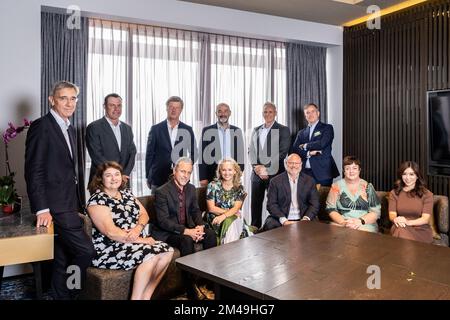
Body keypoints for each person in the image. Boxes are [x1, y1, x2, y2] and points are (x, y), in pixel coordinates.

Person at [24, 81, 95, 299]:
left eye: (73, 98)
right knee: (86, 251)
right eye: (63, 98)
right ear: (51, 100)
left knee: (63, 256)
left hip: (68, 202)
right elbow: (33, 170)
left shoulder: (70, 128)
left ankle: (59, 294)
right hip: (54, 205)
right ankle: (69, 293)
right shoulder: (41, 126)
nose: (69, 103)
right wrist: (41, 208)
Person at [86, 161, 173, 300]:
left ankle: (146, 296)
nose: (114, 178)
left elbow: (144, 214)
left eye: (117, 174)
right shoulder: (97, 200)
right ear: (100, 179)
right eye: (108, 175)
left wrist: (138, 228)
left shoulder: (126, 194)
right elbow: (111, 232)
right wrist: (142, 240)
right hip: (111, 247)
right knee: (150, 256)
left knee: (167, 252)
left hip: (134, 241)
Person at [153, 157, 216, 299]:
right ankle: (190, 288)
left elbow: (195, 210)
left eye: (189, 172)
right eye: (182, 171)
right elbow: (163, 222)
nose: (185, 175)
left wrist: (200, 226)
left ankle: (209, 282)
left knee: (210, 234)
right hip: (168, 233)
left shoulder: (191, 188)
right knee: (186, 240)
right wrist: (188, 231)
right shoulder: (161, 192)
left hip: (188, 227)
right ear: (174, 170)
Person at [249, 101, 290, 229]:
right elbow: (251, 151)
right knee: (255, 204)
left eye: (270, 111)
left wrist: (266, 169)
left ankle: (274, 229)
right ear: (262, 113)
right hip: (257, 175)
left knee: (275, 203)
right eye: (265, 112)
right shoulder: (256, 130)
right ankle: (254, 229)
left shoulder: (283, 130)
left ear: (275, 113)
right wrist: (257, 167)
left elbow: (283, 152)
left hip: (275, 174)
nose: (268, 114)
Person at [145, 96, 197, 194]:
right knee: (157, 206)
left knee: (180, 206)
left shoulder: (187, 129)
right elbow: (149, 154)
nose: (174, 110)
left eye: (177, 108)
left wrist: (186, 168)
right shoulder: (156, 129)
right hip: (158, 176)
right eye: (171, 107)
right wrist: (148, 176)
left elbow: (194, 152)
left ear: (181, 110)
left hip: (180, 177)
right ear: (167, 108)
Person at [86, 93, 137, 185]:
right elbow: (96, 155)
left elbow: (132, 153)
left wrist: (124, 174)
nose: (116, 109)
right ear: (104, 106)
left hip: (123, 181)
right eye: (112, 105)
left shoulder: (127, 128)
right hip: (102, 181)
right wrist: (115, 176)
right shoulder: (94, 127)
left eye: (119, 105)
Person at [262, 153, 319, 231]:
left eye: (296, 163)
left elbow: (315, 204)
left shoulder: (309, 181)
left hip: (304, 217)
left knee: (316, 227)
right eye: (291, 163)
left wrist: (306, 219)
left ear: (301, 164)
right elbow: (271, 204)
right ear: (285, 164)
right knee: (270, 225)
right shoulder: (275, 181)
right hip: (283, 218)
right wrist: (284, 221)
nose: (294, 166)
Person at [326, 156, 380, 233]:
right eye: (347, 168)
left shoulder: (368, 186)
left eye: (354, 168)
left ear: (359, 170)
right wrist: (344, 222)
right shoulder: (336, 186)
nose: (351, 171)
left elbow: (375, 212)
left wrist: (360, 221)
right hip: (342, 222)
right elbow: (330, 209)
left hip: (365, 223)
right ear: (344, 171)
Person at [205, 158, 254, 244]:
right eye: (224, 170)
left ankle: (228, 248)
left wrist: (223, 216)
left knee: (232, 220)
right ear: (220, 171)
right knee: (233, 220)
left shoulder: (239, 188)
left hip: (230, 217)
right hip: (215, 218)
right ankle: (231, 250)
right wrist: (228, 213)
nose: (227, 173)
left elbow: (236, 208)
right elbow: (211, 208)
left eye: (230, 170)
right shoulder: (213, 185)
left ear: (235, 171)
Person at [291, 103, 339, 186]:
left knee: (322, 199)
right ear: (305, 116)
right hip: (304, 173)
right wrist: (308, 153)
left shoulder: (327, 128)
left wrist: (305, 145)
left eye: (313, 111)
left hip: (323, 173)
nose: (310, 114)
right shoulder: (301, 133)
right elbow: (295, 150)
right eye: (307, 113)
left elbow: (322, 143)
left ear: (318, 113)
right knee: (305, 199)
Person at [199, 103, 244, 186]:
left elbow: (240, 154)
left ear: (230, 113)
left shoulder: (237, 131)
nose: (223, 114)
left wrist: (239, 173)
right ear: (216, 113)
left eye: (225, 111)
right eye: (220, 111)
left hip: (231, 175)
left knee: (231, 198)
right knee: (212, 199)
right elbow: (202, 155)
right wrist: (202, 177)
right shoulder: (207, 130)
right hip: (212, 175)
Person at [388, 161, 434, 243]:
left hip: (421, 230)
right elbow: (392, 215)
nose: (407, 178)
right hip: (400, 225)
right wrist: (397, 219)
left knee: (400, 231)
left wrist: (407, 222)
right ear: (401, 176)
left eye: (411, 174)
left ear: (417, 176)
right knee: (400, 230)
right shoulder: (394, 193)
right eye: (404, 174)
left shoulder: (427, 194)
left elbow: (425, 219)